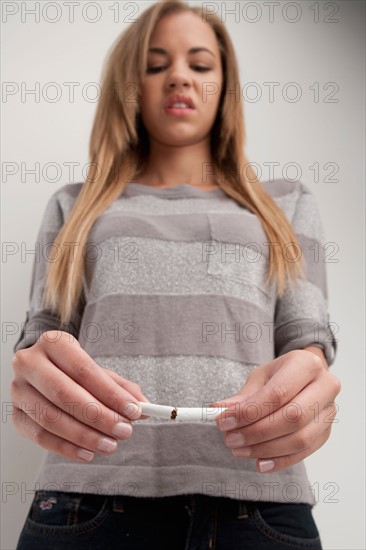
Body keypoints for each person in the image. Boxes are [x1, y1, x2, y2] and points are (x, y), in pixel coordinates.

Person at [11, 1, 341, 548]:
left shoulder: (287, 204)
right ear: (130, 84)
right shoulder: (74, 206)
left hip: (258, 500)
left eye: (201, 64)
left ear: (226, 86)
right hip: (84, 500)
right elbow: (44, 333)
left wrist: (308, 382)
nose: (180, 76)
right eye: (156, 63)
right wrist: (34, 374)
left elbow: (308, 340)